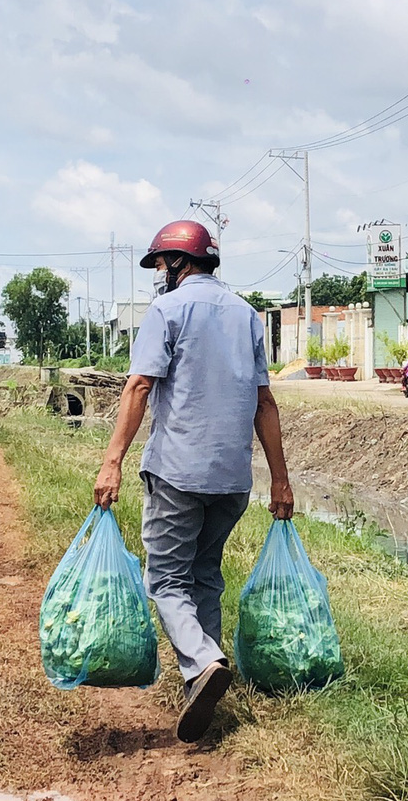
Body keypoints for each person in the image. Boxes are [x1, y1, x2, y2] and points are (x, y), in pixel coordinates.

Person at [94, 219, 294, 744]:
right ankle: (201, 683)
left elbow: (139, 386)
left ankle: (203, 660)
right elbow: (264, 402)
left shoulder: (167, 310)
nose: (160, 274)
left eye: (162, 264)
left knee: (164, 581)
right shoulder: (247, 315)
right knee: (204, 574)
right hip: (232, 478)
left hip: (178, 471)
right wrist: (280, 481)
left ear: (180, 262)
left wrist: (112, 460)